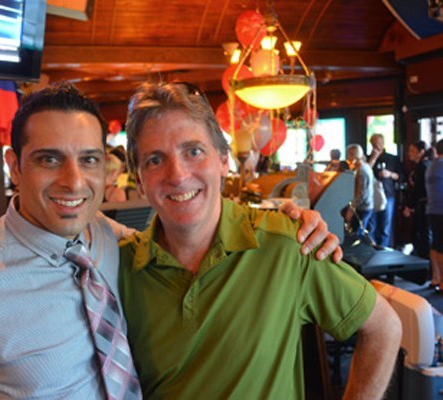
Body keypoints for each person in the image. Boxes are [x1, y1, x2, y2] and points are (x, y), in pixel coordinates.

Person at [0, 82, 339, 399]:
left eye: (88, 160)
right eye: (49, 159)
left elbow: (186, 225)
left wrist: (290, 218)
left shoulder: (112, 240)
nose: (73, 182)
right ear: (14, 166)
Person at [119, 82, 401, 399]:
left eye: (194, 151)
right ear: (140, 181)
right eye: (155, 160)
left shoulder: (288, 243)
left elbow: (383, 327)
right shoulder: (116, 269)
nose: (178, 174)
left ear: (223, 160)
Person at [367, 133, 403, 247]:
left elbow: (401, 176)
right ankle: (372, 251)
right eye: (373, 143)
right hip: (371, 196)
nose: (376, 146)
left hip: (388, 195)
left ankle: (384, 251)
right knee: (371, 226)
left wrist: (390, 174)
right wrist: (373, 158)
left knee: (385, 226)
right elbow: (364, 172)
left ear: (383, 143)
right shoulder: (368, 159)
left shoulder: (392, 158)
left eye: (378, 143)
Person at [403, 140, 432, 259]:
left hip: (423, 205)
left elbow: (418, 189)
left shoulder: (423, 167)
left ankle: (424, 263)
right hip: (423, 204)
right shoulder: (425, 165)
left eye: (412, 151)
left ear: (421, 152)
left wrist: (409, 206)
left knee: (421, 234)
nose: (409, 154)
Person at [345, 143, 375, 236]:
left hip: (362, 207)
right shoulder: (366, 167)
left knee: (357, 235)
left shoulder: (361, 171)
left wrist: (352, 209)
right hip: (367, 205)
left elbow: (361, 194)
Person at [427, 140, 443, 292]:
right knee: (441, 245)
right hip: (441, 210)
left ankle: (436, 278)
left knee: (436, 244)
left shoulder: (432, 165)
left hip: (433, 209)